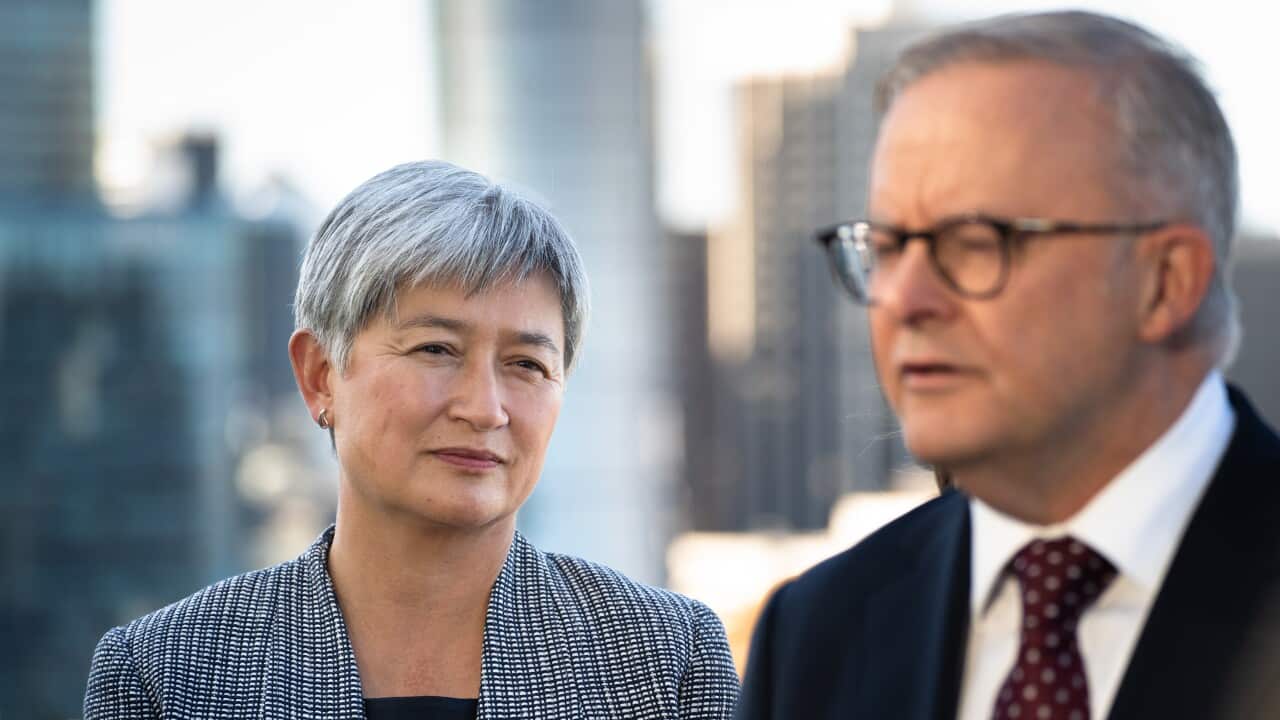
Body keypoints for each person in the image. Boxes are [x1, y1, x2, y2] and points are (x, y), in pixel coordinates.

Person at [737, 10, 1280, 720]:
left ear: (1165, 281)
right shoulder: (818, 630)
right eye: (890, 245)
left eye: (975, 241)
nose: (904, 298)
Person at [84, 160, 740, 719]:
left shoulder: (667, 662)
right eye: (436, 349)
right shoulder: (165, 677)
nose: (485, 409)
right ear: (319, 375)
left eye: (527, 365)